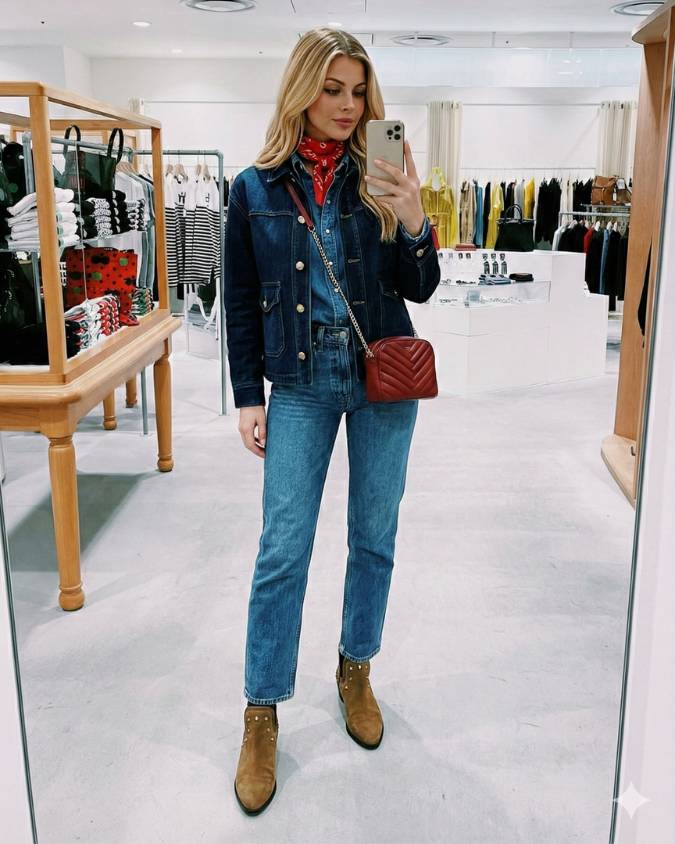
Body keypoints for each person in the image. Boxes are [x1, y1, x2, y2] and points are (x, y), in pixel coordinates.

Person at [223, 26, 440, 815]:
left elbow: (420, 286)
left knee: (373, 536)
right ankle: (260, 711)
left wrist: (411, 216)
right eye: (332, 88)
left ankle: (355, 669)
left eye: (357, 91)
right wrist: (248, 394)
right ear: (301, 89)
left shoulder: (379, 175)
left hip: (383, 379)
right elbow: (239, 299)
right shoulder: (253, 188)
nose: (347, 105)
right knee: (282, 549)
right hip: (300, 383)